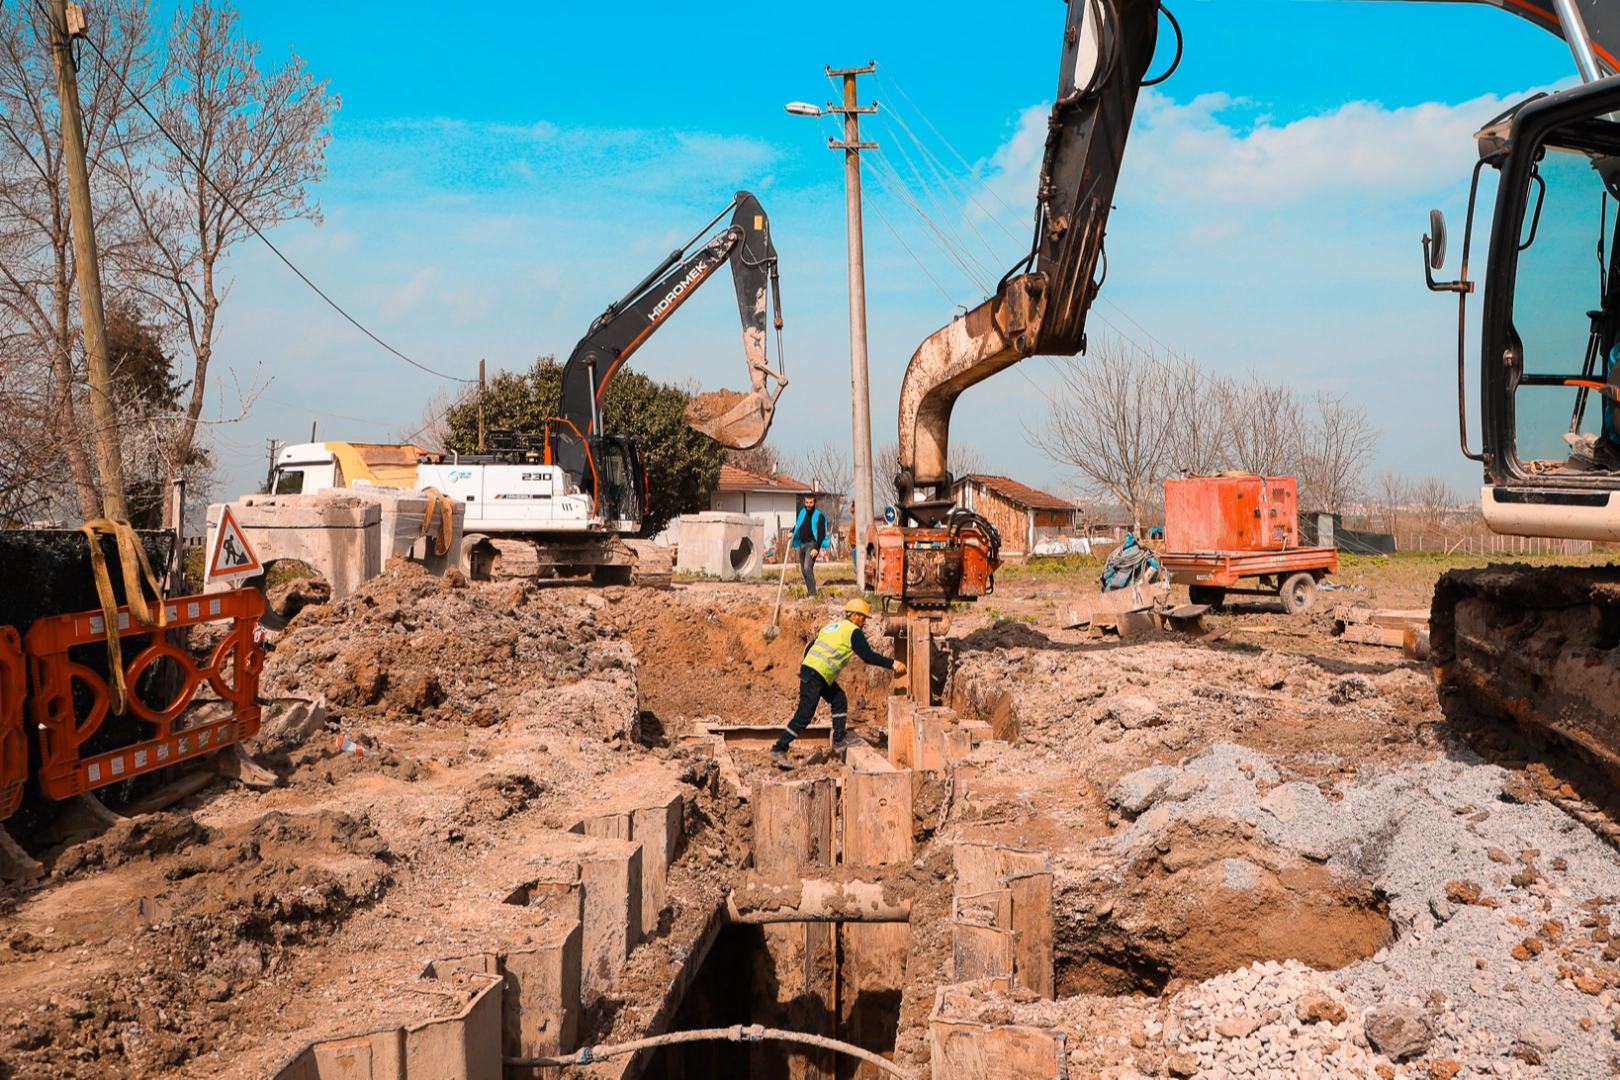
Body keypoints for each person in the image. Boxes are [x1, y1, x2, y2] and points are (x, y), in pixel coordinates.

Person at [770, 597, 905, 769]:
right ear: (854, 616)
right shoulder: (853, 631)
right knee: (804, 716)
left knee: (839, 699)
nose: (864, 623)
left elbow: (811, 646)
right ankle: (779, 748)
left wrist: (810, 667)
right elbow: (867, 655)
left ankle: (839, 738)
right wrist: (892, 664)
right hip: (817, 674)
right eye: (863, 618)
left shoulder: (831, 627)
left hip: (812, 671)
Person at [790, 493, 830, 597]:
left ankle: (813, 594)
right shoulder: (802, 512)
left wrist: (816, 548)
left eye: (811, 503)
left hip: (812, 545)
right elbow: (797, 525)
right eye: (807, 502)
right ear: (804, 502)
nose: (808, 505)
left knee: (808, 568)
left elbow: (821, 534)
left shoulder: (819, 516)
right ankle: (810, 592)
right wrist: (791, 531)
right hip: (802, 544)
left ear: (814, 502)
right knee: (804, 571)